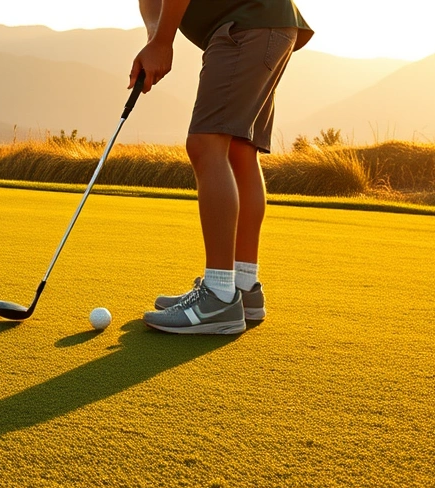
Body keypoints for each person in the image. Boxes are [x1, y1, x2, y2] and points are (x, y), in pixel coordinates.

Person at [134, 0, 312, 334]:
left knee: (205, 144)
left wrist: (162, 43)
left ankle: (218, 295)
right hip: (266, 22)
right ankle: (242, 287)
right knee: (239, 152)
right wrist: (154, 38)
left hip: (245, 23)